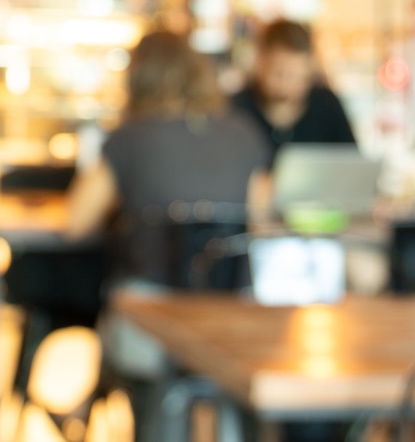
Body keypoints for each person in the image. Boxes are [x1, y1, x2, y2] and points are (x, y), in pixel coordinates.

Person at [67, 30, 272, 283]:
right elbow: (263, 229)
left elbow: (76, 224)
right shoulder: (244, 133)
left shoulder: (129, 137)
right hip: (228, 308)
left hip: (147, 307)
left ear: (137, 78)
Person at [231, 19, 357, 155]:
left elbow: (352, 162)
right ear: (260, 62)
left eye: (298, 78)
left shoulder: (327, 106)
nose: (287, 86)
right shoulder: (235, 110)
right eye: (280, 74)